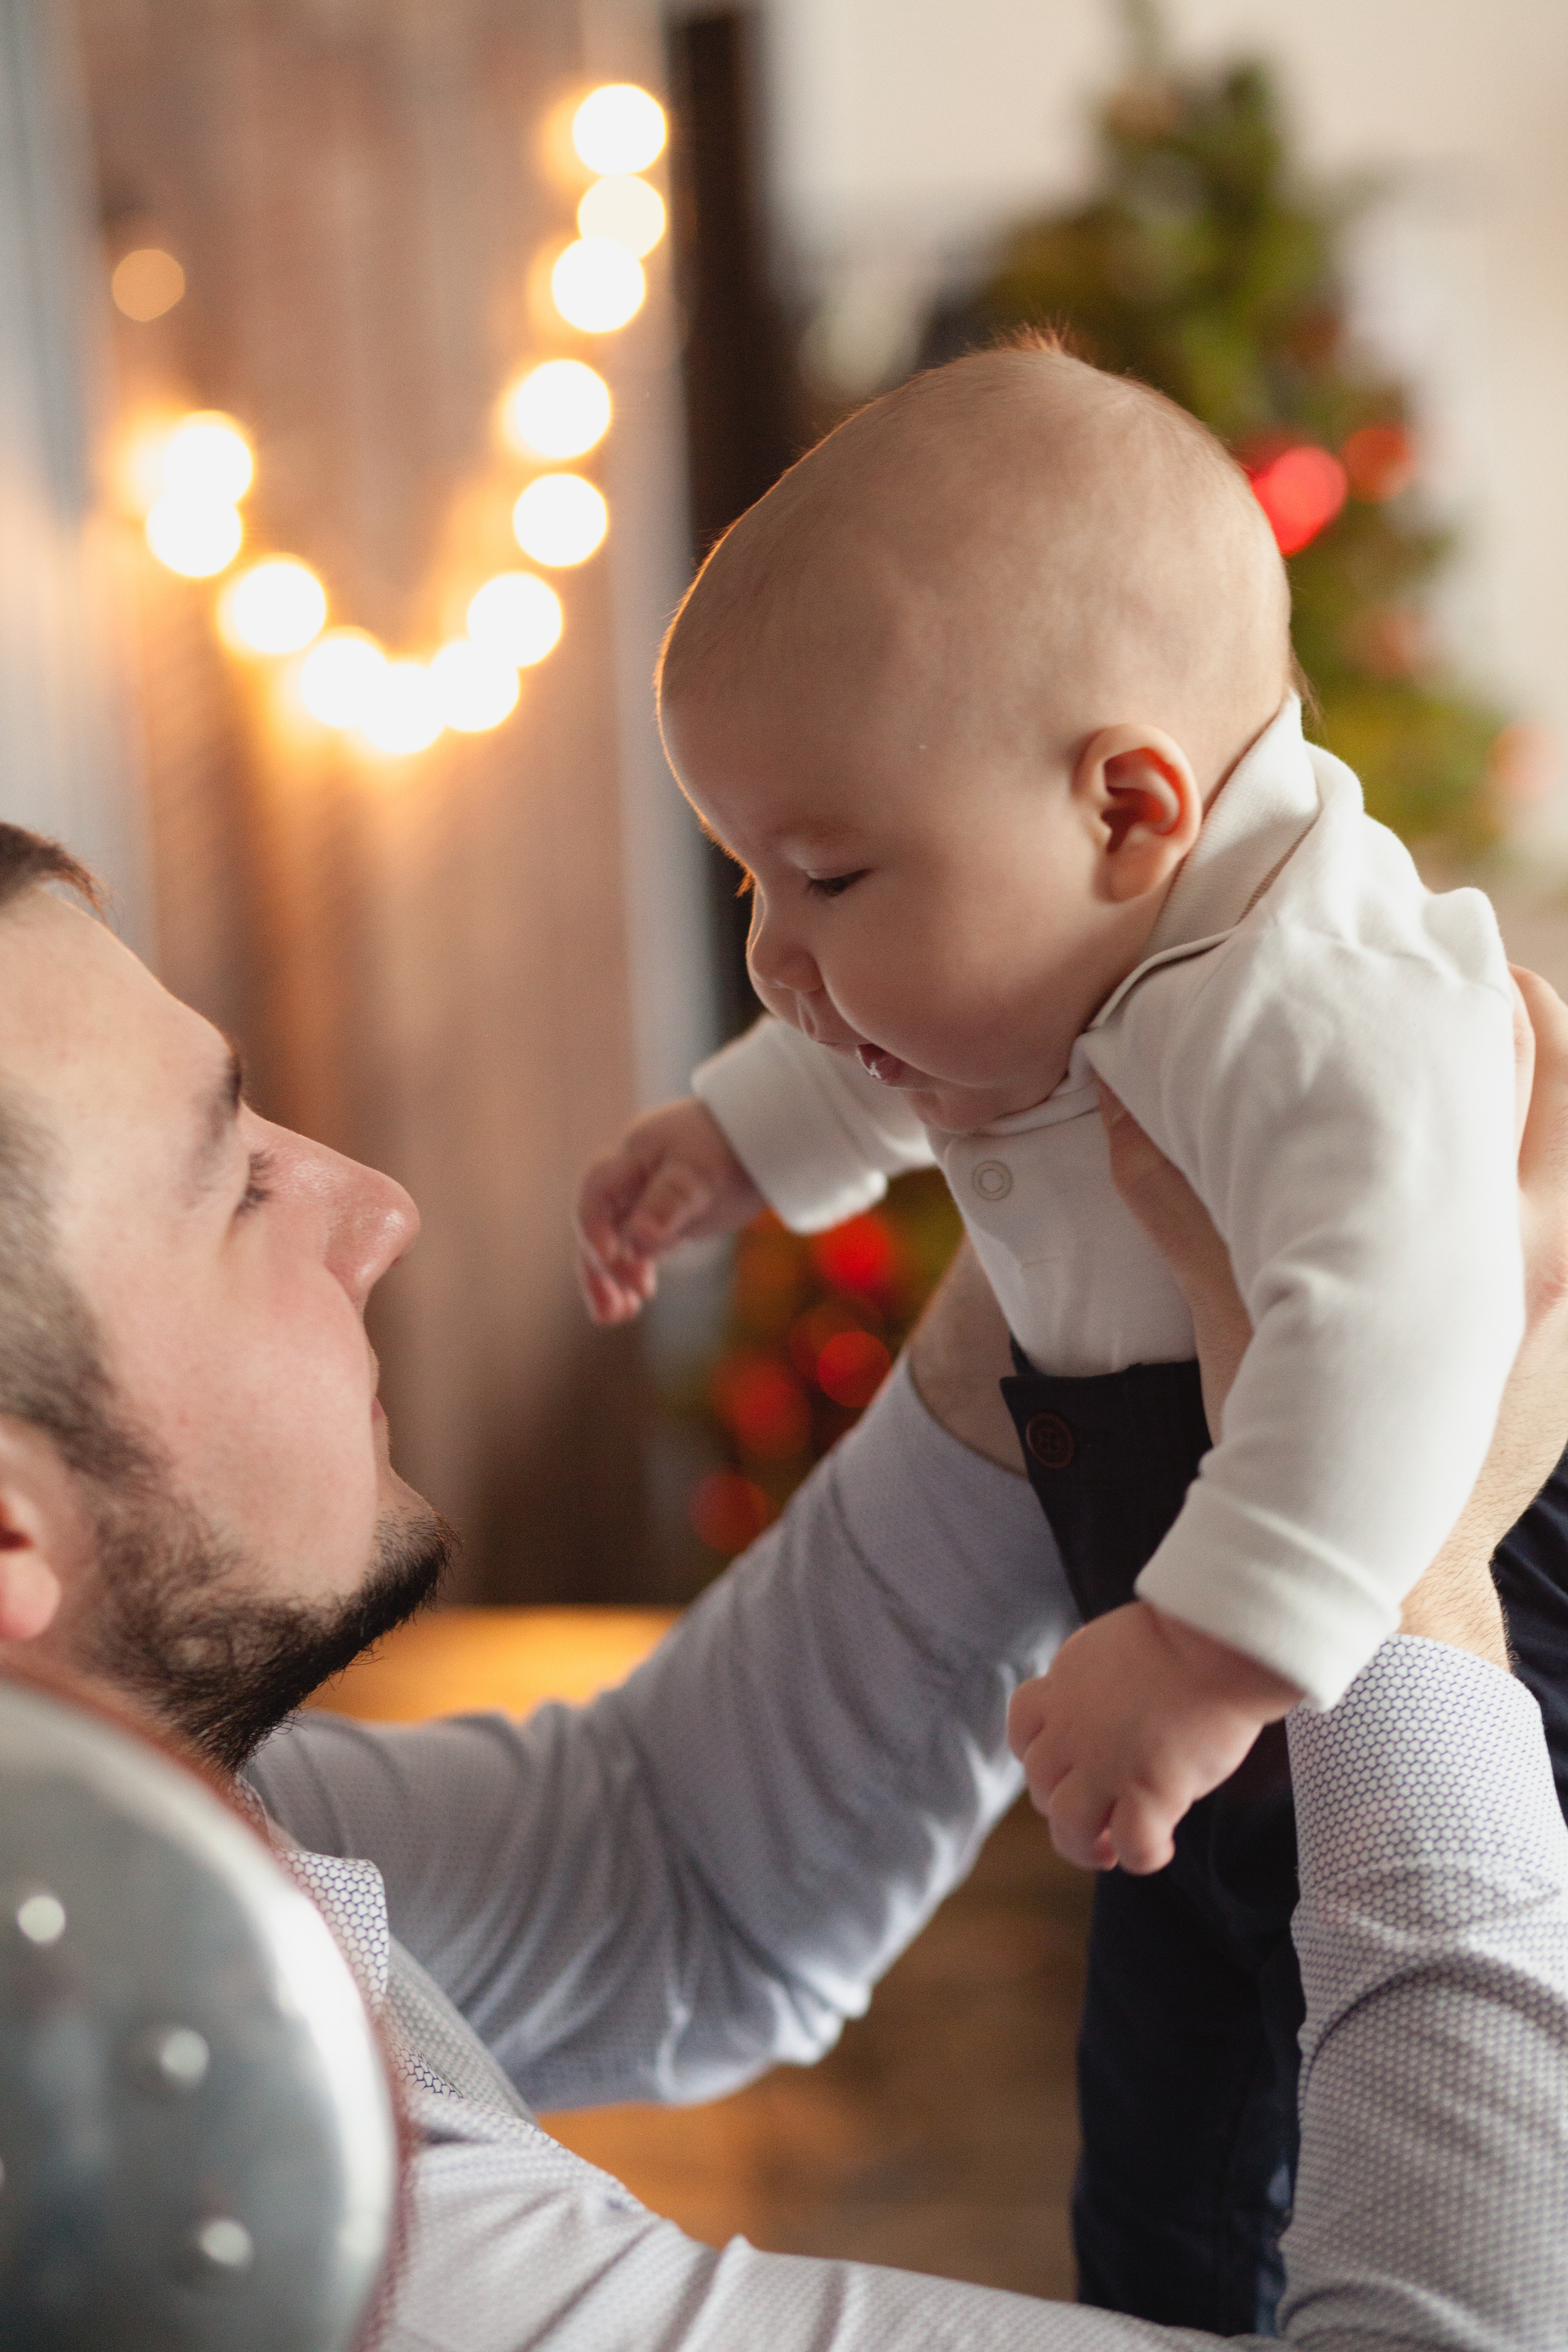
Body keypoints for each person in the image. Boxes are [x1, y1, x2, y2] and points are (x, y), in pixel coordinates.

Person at [1, 820, 1567, 2347]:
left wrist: (1093, 1197)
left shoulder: (119, 1843)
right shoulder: (344, 2277)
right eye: (237, 1188)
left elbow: (666, 1868)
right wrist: (1394, 1549)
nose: (376, 1206)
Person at [571, 337, 1538, 2327]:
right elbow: (921, 1048)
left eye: (826, 872)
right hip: (1195, 1606)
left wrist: (1202, 1652)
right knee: (1174, 2126)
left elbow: (1407, 1330)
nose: (774, 947)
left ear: (1131, 805)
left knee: (1414, 2084)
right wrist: (736, 1135)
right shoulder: (1084, 934)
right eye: (751, 876)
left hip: (1439, 1600)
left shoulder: (1309, 1004)